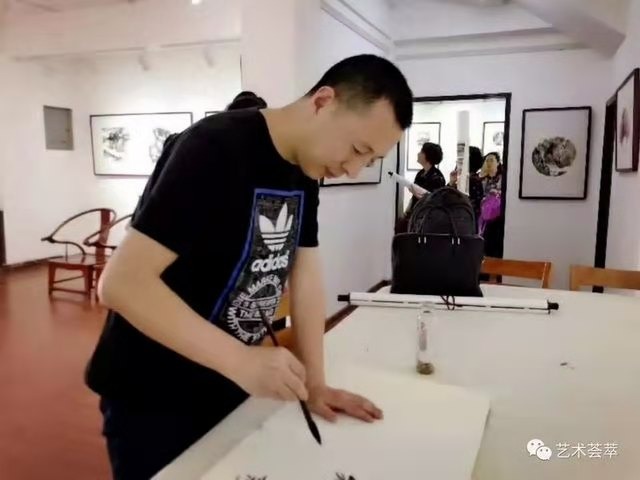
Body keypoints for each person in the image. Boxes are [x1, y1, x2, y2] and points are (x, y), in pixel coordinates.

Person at [85, 54, 413, 480]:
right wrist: (240, 360)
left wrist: (315, 383)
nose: (352, 170)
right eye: (357, 150)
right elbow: (121, 284)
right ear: (323, 102)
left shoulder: (304, 169)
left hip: (227, 384)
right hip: (153, 390)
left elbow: (306, 273)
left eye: (368, 162)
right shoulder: (213, 147)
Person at [395, 142, 445, 233]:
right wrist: (407, 212)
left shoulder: (437, 177)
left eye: (421, 152)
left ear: (428, 156)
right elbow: (414, 197)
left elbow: (435, 201)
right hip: (415, 213)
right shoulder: (420, 173)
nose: (418, 154)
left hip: (427, 218)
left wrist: (418, 194)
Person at [479, 151, 504, 257]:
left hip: (496, 214)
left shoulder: (502, 178)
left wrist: (497, 193)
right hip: (483, 213)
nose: (489, 163)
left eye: (491, 160)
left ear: (498, 162)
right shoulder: (482, 178)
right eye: (487, 160)